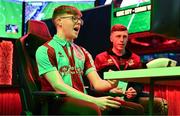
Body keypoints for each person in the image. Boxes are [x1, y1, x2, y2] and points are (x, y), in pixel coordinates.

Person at [35, 5, 144, 115]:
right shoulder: (45, 50)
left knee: (135, 109)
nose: (78, 23)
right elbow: (58, 86)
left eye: (80, 20)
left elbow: (97, 84)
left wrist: (112, 83)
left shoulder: (83, 52)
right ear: (59, 21)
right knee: (93, 110)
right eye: (74, 18)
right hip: (57, 102)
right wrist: (94, 100)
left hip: (83, 100)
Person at [94, 24, 168, 115]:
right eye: (118, 36)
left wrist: (134, 91)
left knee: (160, 103)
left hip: (131, 97)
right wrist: (109, 91)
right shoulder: (101, 58)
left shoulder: (135, 58)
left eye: (124, 37)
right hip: (108, 96)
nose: (121, 40)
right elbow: (95, 84)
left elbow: (140, 83)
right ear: (111, 39)